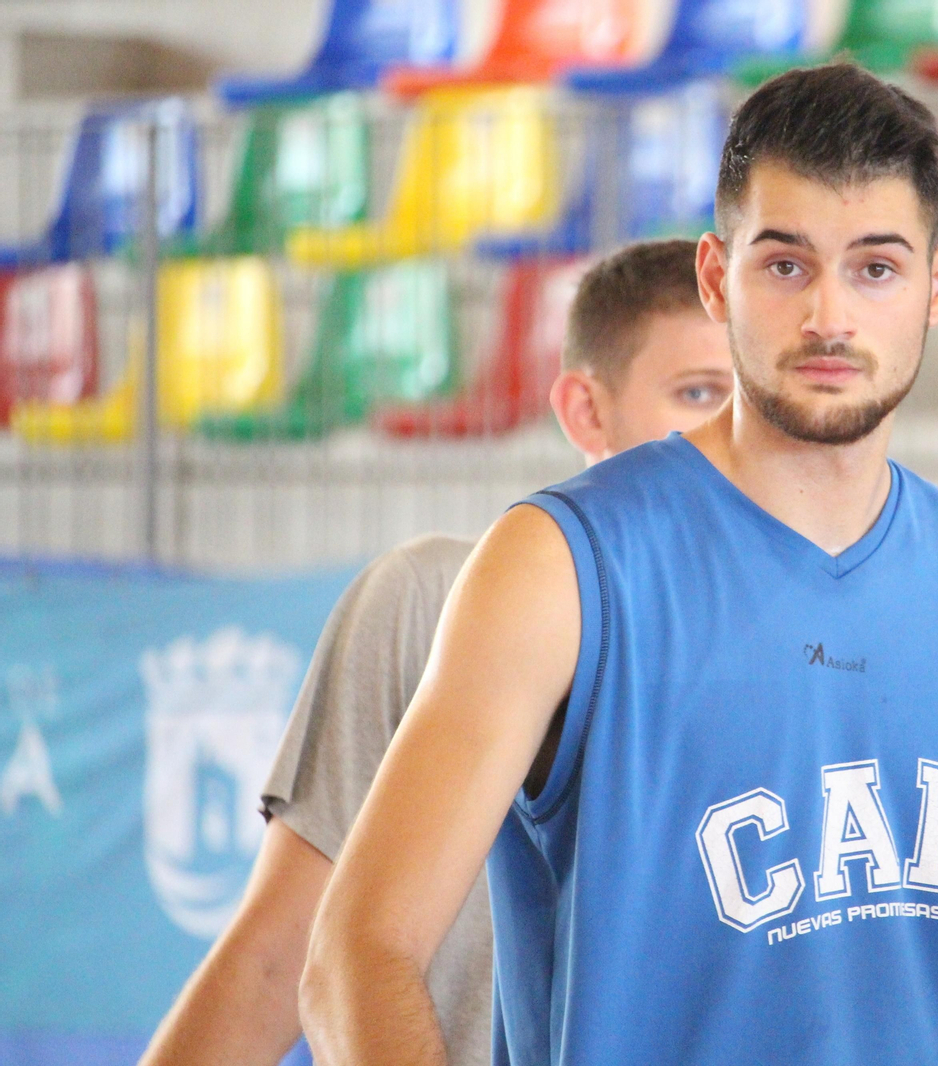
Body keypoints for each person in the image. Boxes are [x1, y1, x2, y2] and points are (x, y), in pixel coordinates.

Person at [299, 63, 938, 1066]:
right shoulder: (559, 563)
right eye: (785, 265)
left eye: (875, 268)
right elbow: (356, 956)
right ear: (713, 275)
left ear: (936, 284)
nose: (828, 316)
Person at [137, 239, 735, 1066]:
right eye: (698, 392)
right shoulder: (427, 602)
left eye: (750, 403)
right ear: (586, 411)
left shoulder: (809, 654)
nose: (728, 434)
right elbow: (277, 958)